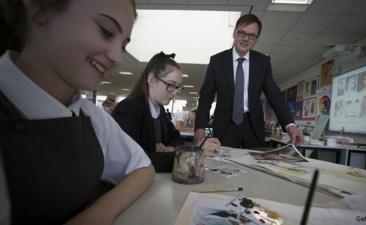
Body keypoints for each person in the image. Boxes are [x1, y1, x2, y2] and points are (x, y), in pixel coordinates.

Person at [0, 0, 155, 224]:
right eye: (106, 31)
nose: (117, 58)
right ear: (39, 8)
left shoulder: (92, 116)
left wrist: (97, 214)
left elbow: (142, 168)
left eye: (123, 46)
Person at [195, 14, 303, 148]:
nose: (246, 39)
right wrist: (199, 128)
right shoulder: (217, 61)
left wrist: (290, 125)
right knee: (222, 165)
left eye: (252, 36)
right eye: (242, 33)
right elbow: (206, 97)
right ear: (234, 34)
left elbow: (274, 95)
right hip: (224, 127)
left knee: (255, 165)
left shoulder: (262, 62)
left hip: (253, 127)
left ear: (256, 39)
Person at [112, 52, 220, 172]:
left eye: (177, 88)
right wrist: (190, 154)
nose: (174, 93)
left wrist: (171, 148)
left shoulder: (159, 111)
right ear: (151, 80)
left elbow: (176, 138)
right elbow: (134, 158)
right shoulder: (129, 109)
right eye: (170, 85)